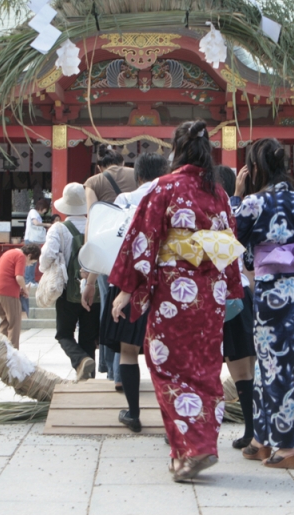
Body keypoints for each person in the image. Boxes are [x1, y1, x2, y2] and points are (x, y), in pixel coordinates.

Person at [110, 120, 245, 482]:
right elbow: (228, 243)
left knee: (166, 367)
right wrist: (230, 287)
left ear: (177, 150)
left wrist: (127, 289)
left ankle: (191, 449)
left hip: (175, 294)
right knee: (204, 368)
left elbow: (144, 239)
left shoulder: (165, 187)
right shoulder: (217, 193)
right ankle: (193, 448)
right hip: (211, 295)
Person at [231, 139, 294, 470]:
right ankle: (261, 439)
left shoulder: (253, 202)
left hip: (273, 295)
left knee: (275, 369)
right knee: (272, 366)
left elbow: (230, 235)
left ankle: (288, 446)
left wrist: (237, 193)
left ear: (256, 169)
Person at [99, 152, 169, 432]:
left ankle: (133, 413)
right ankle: (170, 422)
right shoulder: (172, 198)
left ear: (137, 175)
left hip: (131, 282)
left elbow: (115, 242)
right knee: (166, 354)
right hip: (166, 283)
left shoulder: (125, 200)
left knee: (129, 351)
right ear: (165, 172)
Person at [83, 145, 137, 389]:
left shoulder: (93, 182)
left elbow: (92, 222)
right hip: (136, 251)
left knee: (110, 308)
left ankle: (114, 373)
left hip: (108, 257)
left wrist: (88, 273)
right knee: (129, 309)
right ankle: (121, 370)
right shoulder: (136, 175)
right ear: (122, 162)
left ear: (99, 166)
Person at [215, 164, 257, 449]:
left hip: (227, 295)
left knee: (240, 371)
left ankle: (252, 431)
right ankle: (253, 430)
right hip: (243, 294)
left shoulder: (225, 214)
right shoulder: (244, 212)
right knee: (246, 370)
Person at [42, 183, 99, 381]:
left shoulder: (59, 229)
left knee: (64, 334)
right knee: (88, 337)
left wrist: (45, 270)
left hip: (69, 291)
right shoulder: (96, 226)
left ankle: (81, 361)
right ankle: (88, 378)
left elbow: (46, 257)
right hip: (95, 290)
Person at [0, 244, 40, 349]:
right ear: (29, 255)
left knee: (5, 323)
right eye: (31, 262)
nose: (28, 265)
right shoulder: (20, 256)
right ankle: (14, 353)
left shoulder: (9, 252)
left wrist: (21, 289)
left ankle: (0, 350)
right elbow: (19, 277)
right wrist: (26, 290)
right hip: (8, 293)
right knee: (14, 324)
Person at [20, 200, 48, 317]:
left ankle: (30, 279)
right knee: (30, 261)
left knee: (32, 261)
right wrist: (46, 225)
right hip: (32, 240)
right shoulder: (33, 212)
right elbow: (35, 223)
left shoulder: (35, 213)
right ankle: (28, 280)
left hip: (35, 240)